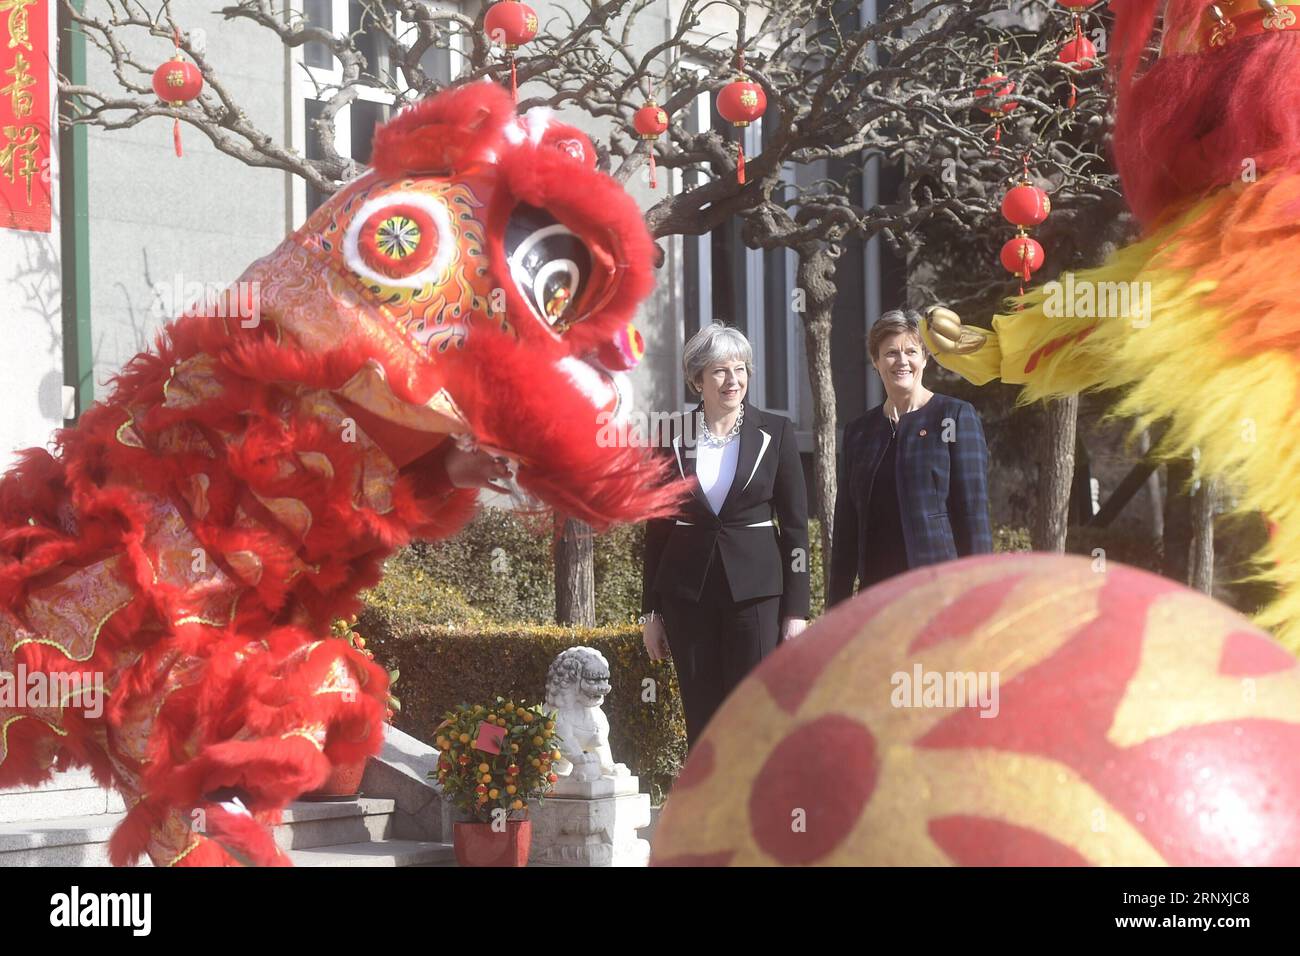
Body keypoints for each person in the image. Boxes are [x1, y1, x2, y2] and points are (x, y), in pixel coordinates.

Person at [641, 323, 810, 747]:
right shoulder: (670, 435)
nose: (733, 380)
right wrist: (650, 613)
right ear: (698, 378)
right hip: (686, 595)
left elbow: (794, 528)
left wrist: (796, 612)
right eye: (719, 370)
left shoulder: (777, 432)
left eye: (740, 369)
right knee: (702, 714)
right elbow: (657, 527)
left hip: (756, 595)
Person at [829, 309, 991, 606]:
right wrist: (836, 609)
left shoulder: (954, 417)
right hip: (877, 597)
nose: (902, 361)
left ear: (925, 358)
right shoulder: (858, 432)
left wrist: (979, 601)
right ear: (876, 362)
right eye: (890, 353)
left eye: (911, 351)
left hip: (939, 593)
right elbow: (846, 531)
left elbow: (973, 517)